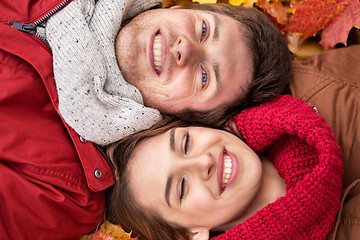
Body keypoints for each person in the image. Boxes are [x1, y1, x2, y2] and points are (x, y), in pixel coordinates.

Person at [0, 1, 291, 238]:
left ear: (184, 117)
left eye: (204, 77)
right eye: (203, 30)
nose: (185, 48)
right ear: (179, 9)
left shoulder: (65, 193)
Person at [105, 95, 343, 240]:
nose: (203, 161)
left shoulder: (316, 83)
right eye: (182, 187)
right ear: (189, 234)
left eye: (186, 143)